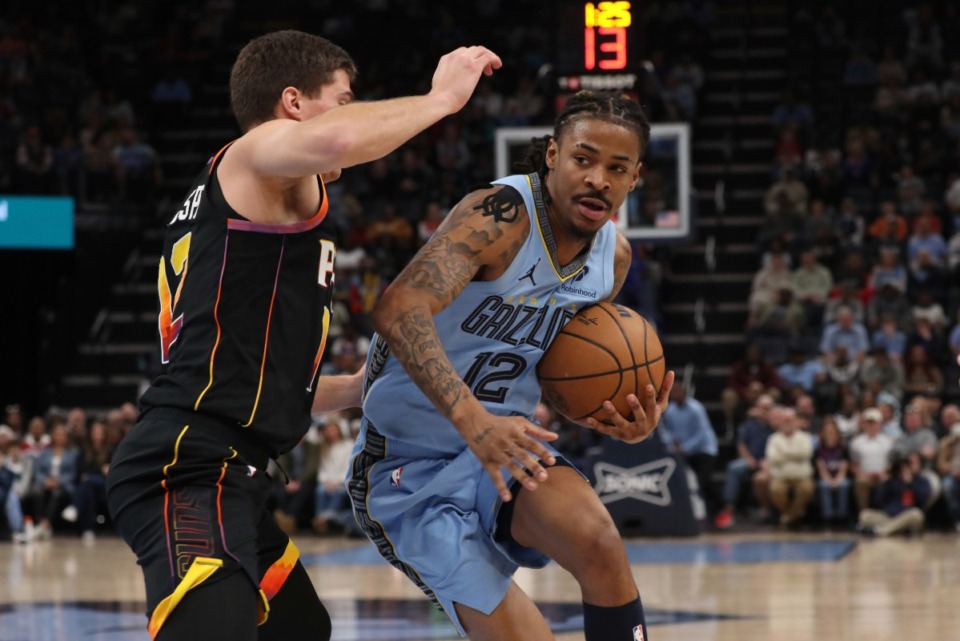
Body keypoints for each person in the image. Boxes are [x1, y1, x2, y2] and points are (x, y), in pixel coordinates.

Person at [105, 30, 504, 641]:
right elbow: (340, 137)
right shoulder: (253, 154)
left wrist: (360, 387)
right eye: (342, 98)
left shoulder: (258, 202)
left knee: (300, 629)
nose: (350, 114)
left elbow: (259, 375)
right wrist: (440, 99)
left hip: (233, 467)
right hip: (188, 464)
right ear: (293, 103)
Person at [350, 91, 675, 641]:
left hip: (507, 452)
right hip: (408, 469)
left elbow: (565, 371)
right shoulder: (499, 217)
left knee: (599, 541)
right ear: (552, 155)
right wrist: (473, 420)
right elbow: (398, 306)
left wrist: (612, 412)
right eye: (583, 159)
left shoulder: (611, 259)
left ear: (635, 178)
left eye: (616, 168)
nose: (598, 178)